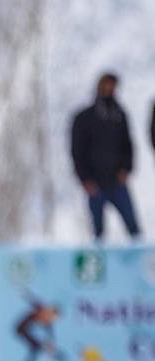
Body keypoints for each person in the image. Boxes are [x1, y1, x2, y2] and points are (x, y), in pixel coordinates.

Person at [70, 72, 140, 241]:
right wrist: (85, 179)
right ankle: (99, 265)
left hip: (117, 181)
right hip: (95, 184)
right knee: (99, 234)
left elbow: (128, 145)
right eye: (107, 85)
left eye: (113, 86)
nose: (110, 89)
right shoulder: (84, 118)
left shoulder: (120, 116)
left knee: (134, 229)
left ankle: (142, 265)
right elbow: (77, 151)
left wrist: (126, 169)